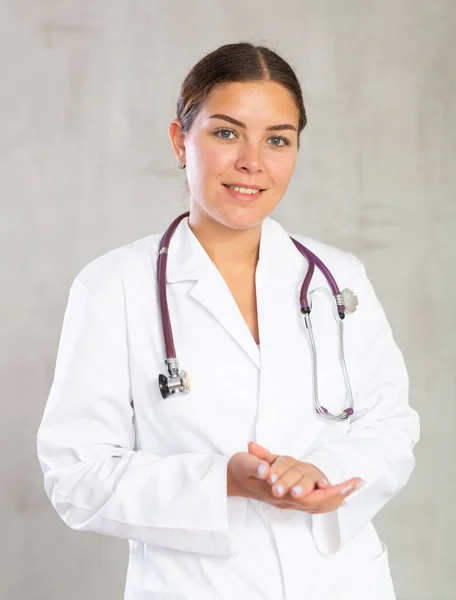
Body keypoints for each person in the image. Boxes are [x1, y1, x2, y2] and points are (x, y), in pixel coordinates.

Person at [37, 42, 420, 600]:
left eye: (277, 139)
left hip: (343, 581)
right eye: (226, 132)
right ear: (179, 141)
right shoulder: (112, 286)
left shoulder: (338, 278)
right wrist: (223, 481)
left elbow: (390, 426)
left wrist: (319, 473)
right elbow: (76, 476)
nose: (252, 161)